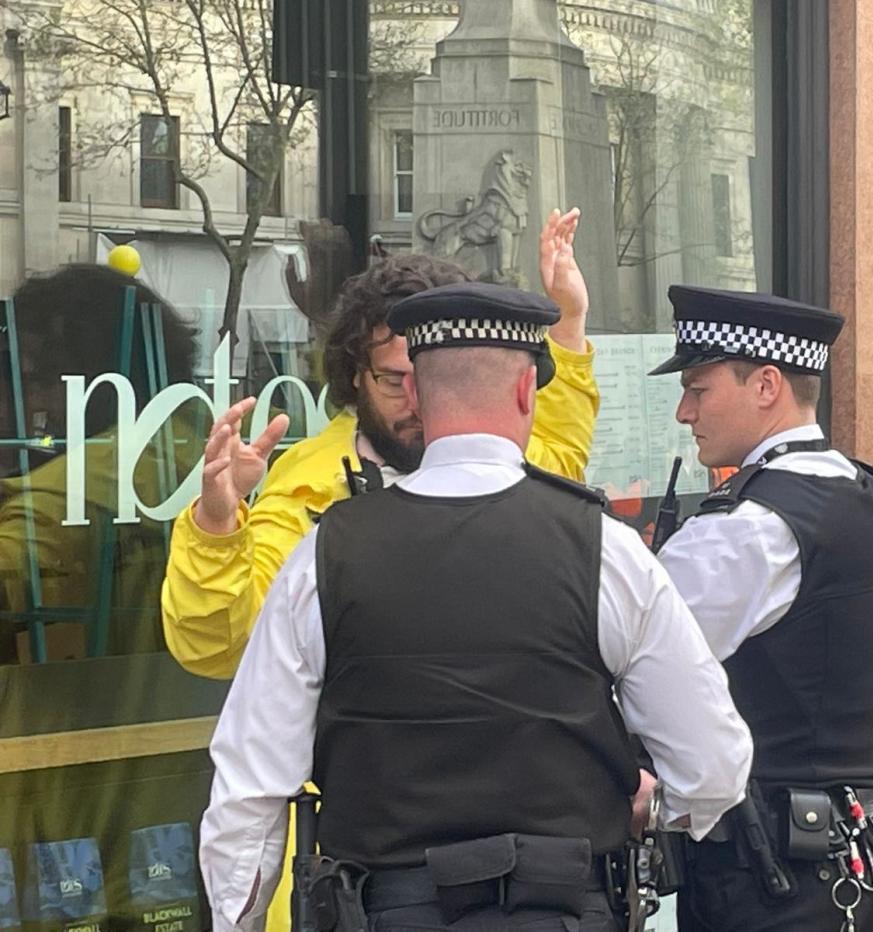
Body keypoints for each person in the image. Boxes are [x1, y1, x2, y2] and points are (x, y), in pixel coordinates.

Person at [199, 281, 754, 932]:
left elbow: (248, 790)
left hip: (386, 913)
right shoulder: (605, 549)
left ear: (416, 392)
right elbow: (714, 766)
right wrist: (656, 810)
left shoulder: (325, 556)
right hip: (564, 909)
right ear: (527, 391)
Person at [648, 285, 873, 932]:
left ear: (767, 384)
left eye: (699, 387)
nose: (685, 412)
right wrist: (841, 717)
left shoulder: (742, 529)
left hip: (758, 866)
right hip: (863, 855)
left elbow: (639, 679)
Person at [161, 209, 599, 679]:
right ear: (355, 376)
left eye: (435, 378)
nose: (418, 401)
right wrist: (216, 524)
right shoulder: (310, 485)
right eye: (394, 381)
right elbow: (222, 648)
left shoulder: (498, 456)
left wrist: (569, 319)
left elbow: (558, 454)